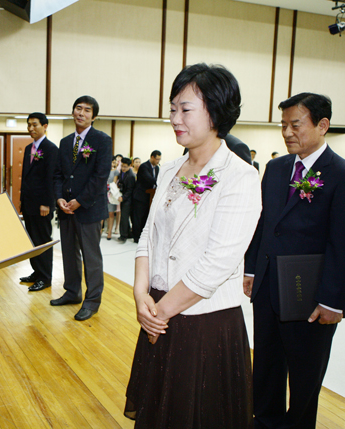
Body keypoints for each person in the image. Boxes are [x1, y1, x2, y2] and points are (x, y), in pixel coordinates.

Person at [125, 63, 261, 428]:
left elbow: (216, 264)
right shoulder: (169, 170)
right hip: (158, 313)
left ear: (216, 112)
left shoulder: (240, 177)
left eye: (185, 109)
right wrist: (141, 297)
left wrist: (158, 313)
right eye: (172, 109)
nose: (174, 118)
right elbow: (147, 236)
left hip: (204, 323)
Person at [244, 93, 345, 428]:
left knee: (305, 373)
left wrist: (333, 300)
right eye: (283, 125)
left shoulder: (340, 173)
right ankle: (265, 421)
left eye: (295, 124)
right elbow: (264, 222)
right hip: (270, 286)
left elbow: (341, 242)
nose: (287, 132)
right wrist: (251, 269)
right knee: (267, 366)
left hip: (311, 294)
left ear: (322, 125)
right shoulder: (275, 168)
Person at [52, 95, 112, 321]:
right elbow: (58, 174)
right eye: (78, 108)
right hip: (66, 208)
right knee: (69, 253)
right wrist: (59, 198)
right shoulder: (65, 142)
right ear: (72, 111)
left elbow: (99, 177)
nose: (81, 113)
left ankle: (92, 301)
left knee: (91, 257)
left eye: (87, 110)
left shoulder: (102, 140)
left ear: (94, 116)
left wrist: (80, 201)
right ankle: (72, 292)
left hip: (89, 208)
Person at [19, 112, 58, 292]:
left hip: (42, 204)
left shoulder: (51, 149)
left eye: (35, 125)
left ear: (45, 126)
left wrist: (47, 203)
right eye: (29, 125)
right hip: (29, 203)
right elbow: (26, 178)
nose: (31, 128)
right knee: (32, 240)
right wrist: (22, 201)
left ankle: (45, 277)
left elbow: (51, 178)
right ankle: (36, 271)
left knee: (42, 240)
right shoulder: (28, 148)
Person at [131, 150, 161, 243]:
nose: (158, 162)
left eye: (159, 160)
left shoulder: (157, 168)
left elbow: (157, 178)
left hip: (149, 197)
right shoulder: (144, 166)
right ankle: (136, 237)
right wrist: (160, 182)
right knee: (138, 217)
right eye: (157, 159)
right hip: (140, 196)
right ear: (152, 157)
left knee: (145, 217)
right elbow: (149, 179)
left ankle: (143, 236)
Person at [117, 157, 135, 243]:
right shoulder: (122, 172)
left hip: (128, 199)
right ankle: (128, 233)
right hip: (123, 197)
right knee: (124, 217)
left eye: (125, 167)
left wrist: (123, 198)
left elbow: (130, 190)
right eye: (122, 166)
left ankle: (123, 236)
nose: (123, 168)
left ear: (129, 166)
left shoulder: (131, 176)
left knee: (124, 217)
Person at [106, 159, 120, 240]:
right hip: (102, 193)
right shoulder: (104, 169)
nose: (112, 163)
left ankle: (110, 232)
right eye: (111, 161)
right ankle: (100, 230)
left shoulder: (116, 172)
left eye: (114, 162)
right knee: (102, 213)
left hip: (111, 193)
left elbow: (113, 183)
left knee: (111, 213)